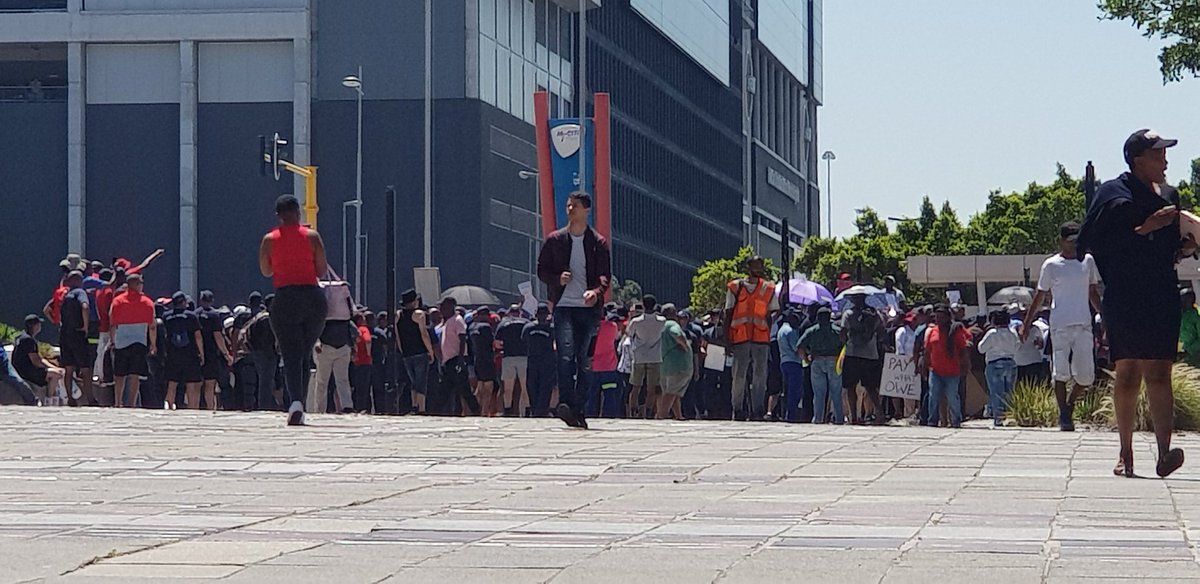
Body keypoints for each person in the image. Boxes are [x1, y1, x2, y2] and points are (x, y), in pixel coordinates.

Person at [1078, 128, 1191, 478]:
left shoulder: (1170, 195)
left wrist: (1184, 246)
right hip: (1125, 295)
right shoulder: (1112, 194)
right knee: (1127, 372)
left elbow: (1169, 245)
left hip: (1161, 292)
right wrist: (1142, 229)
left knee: (1160, 371)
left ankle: (1163, 453)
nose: (1165, 161)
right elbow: (1090, 242)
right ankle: (1125, 452)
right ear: (1137, 159)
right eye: (1158, 154)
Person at [536, 191, 612, 429]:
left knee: (585, 360)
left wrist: (595, 293)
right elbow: (541, 270)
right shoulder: (555, 240)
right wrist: (558, 279)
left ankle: (578, 406)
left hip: (589, 310)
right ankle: (567, 403)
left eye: (575, 206)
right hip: (564, 308)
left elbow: (604, 276)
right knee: (565, 357)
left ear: (586, 210)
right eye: (568, 206)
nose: (570, 210)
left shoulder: (597, 243)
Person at [1022, 222, 1102, 432]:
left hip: (1083, 323)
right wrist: (1026, 324)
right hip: (1060, 325)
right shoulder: (1051, 265)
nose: (1074, 245)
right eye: (1070, 241)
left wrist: (1105, 316)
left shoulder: (1087, 261)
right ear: (1061, 241)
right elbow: (1039, 296)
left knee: (1086, 376)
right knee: (1060, 372)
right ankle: (1064, 415)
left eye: (1077, 241)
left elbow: (1092, 292)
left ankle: (1069, 404)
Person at [258, 194, 329, 426]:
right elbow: (321, 270)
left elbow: (266, 271)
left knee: (290, 353)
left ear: (278, 216)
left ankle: (296, 402)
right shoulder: (312, 237)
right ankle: (300, 404)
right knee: (304, 352)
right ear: (298, 212)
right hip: (312, 298)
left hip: (285, 298)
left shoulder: (269, 239)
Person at [721, 256, 778, 420]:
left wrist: (767, 329)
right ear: (748, 267)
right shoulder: (736, 287)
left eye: (761, 265)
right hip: (741, 337)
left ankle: (757, 410)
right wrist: (727, 340)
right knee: (739, 375)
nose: (759, 269)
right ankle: (737, 409)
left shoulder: (768, 288)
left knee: (760, 376)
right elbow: (728, 313)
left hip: (761, 338)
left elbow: (772, 312)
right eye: (756, 265)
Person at [920, 305, 971, 428]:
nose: (938, 319)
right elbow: (927, 351)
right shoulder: (932, 332)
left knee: (953, 397)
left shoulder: (955, 331)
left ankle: (955, 421)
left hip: (952, 372)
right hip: (935, 371)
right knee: (933, 396)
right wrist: (924, 368)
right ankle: (932, 420)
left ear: (948, 318)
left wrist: (965, 366)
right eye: (937, 317)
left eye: (941, 317)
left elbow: (963, 350)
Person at [109, 274, 156, 408]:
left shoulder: (117, 301)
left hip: (121, 341)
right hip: (139, 342)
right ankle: (132, 403)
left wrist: (113, 341)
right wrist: (153, 344)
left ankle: (118, 402)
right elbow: (152, 326)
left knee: (119, 375)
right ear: (136, 285)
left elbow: (112, 323)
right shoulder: (147, 302)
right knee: (135, 375)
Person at [841, 292, 885, 425]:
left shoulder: (848, 314)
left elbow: (843, 333)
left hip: (853, 353)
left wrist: (845, 343)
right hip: (870, 354)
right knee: (871, 387)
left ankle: (854, 416)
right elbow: (882, 330)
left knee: (850, 387)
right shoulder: (874, 313)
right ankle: (879, 414)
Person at [797, 306, 843, 424]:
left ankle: (818, 418)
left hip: (816, 361)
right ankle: (839, 419)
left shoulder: (812, 330)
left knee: (818, 393)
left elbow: (800, 347)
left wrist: (806, 360)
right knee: (836, 392)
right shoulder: (837, 330)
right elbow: (845, 346)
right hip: (834, 360)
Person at [162, 292, 204, 409]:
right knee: (190, 383)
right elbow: (198, 336)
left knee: (172, 383)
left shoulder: (167, 316)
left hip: (172, 354)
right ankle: (192, 408)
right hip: (190, 354)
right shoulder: (191, 316)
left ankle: (169, 406)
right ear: (184, 302)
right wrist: (201, 353)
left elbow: (165, 335)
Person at [58, 270, 94, 406]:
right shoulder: (80, 292)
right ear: (79, 281)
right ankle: (90, 398)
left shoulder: (65, 294)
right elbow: (85, 306)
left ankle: (70, 399)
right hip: (78, 334)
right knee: (85, 367)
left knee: (69, 368)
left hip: (65, 334)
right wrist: (85, 326)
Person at [627, 295, 666, 418]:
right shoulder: (662, 321)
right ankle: (648, 412)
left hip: (639, 356)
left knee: (635, 386)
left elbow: (629, 334)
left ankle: (633, 410)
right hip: (655, 356)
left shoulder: (636, 321)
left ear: (643, 305)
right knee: (651, 388)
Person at [978, 310, 1020, 426]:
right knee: (1009, 392)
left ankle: (999, 418)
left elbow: (981, 348)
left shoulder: (992, 333)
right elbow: (1017, 347)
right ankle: (1010, 416)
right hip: (1010, 363)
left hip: (995, 363)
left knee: (997, 392)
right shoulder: (1013, 332)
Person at [397, 290, 435, 414]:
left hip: (407, 352)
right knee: (421, 380)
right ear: (414, 301)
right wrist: (430, 351)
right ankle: (422, 407)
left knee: (413, 380)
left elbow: (397, 335)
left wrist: (402, 349)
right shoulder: (419, 314)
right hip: (420, 351)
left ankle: (414, 405)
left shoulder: (398, 315)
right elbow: (424, 334)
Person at [11, 315, 58, 405]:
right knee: (55, 375)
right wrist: (55, 369)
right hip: (27, 372)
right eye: (38, 324)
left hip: (20, 369)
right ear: (34, 326)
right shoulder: (29, 340)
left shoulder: (21, 337)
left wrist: (52, 365)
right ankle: (49, 402)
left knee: (55, 372)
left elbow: (38, 358)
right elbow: (36, 362)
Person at [195, 290, 230, 411]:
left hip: (196, 352)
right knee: (210, 383)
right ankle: (210, 407)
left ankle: (195, 406)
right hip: (211, 352)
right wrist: (226, 354)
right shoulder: (214, 315)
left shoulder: (195, 314)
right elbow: (218, 337)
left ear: (200, 300)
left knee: (197, 383)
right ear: (212, 301)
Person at [656, 304, 692, 419]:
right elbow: (677, 334)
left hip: (666, 365)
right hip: (678, 365)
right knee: (671, 392)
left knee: (673, 391)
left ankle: (678, 415)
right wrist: (685, 346)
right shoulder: (672, 324)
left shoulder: (661, 326)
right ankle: (661, 415)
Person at [313, 316, 355, 414]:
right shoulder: (326, 313)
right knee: (323, 380)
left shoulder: (344, 315)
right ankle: (320, 408)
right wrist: (317, 342)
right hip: (326, 347)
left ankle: (347, 406)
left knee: (340, 379)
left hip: (341, 347)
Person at [495, 305, 530, 416]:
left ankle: (507, 410)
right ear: (519, 313)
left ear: (509, 313)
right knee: (525, 387)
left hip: (508, 357)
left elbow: (497, 344)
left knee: (508, 388)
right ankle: (527, 411)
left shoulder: (503, 324)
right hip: (524, 357)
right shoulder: (526, 323)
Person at [523, 302, 556, 417]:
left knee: (532, 385)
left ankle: (535, 409)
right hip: (547, 361)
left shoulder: (528, 327)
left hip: (532, 359)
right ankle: (542, 411)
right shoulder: (551, 328)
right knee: (545, 387)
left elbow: (523, 341)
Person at [776, 309, 805, 423]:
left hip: (784, 362)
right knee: (795, 390)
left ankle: (786, 413)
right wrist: (805, 357)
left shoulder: (781, 330)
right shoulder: (790, 331)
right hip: (794, 363)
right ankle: (791, 415)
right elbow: (796, 348)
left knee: (786, 390)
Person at [468, 306, 498, 415]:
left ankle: (477, 409)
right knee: (488, 387)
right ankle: (484, 411)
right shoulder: (486, 327)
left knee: (480, 385)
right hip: (487, 360)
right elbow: (492, 343)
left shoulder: (471, 327)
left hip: (477, 360)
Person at [351, 312, 374, 413]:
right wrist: (368, 354)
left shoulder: (354, 331)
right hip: (365, 361)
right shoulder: (364, 329)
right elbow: (368, 341)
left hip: (357, 361)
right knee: (365, 387)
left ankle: (358, 407)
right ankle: (364, 408)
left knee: (357, 386)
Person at [1180, 289, 1200, 366]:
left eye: (1183, 300)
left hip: (1196, 355)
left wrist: (1189, 350)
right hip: (1185, 357)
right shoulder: (1181, 315)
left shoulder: (1196, 316)